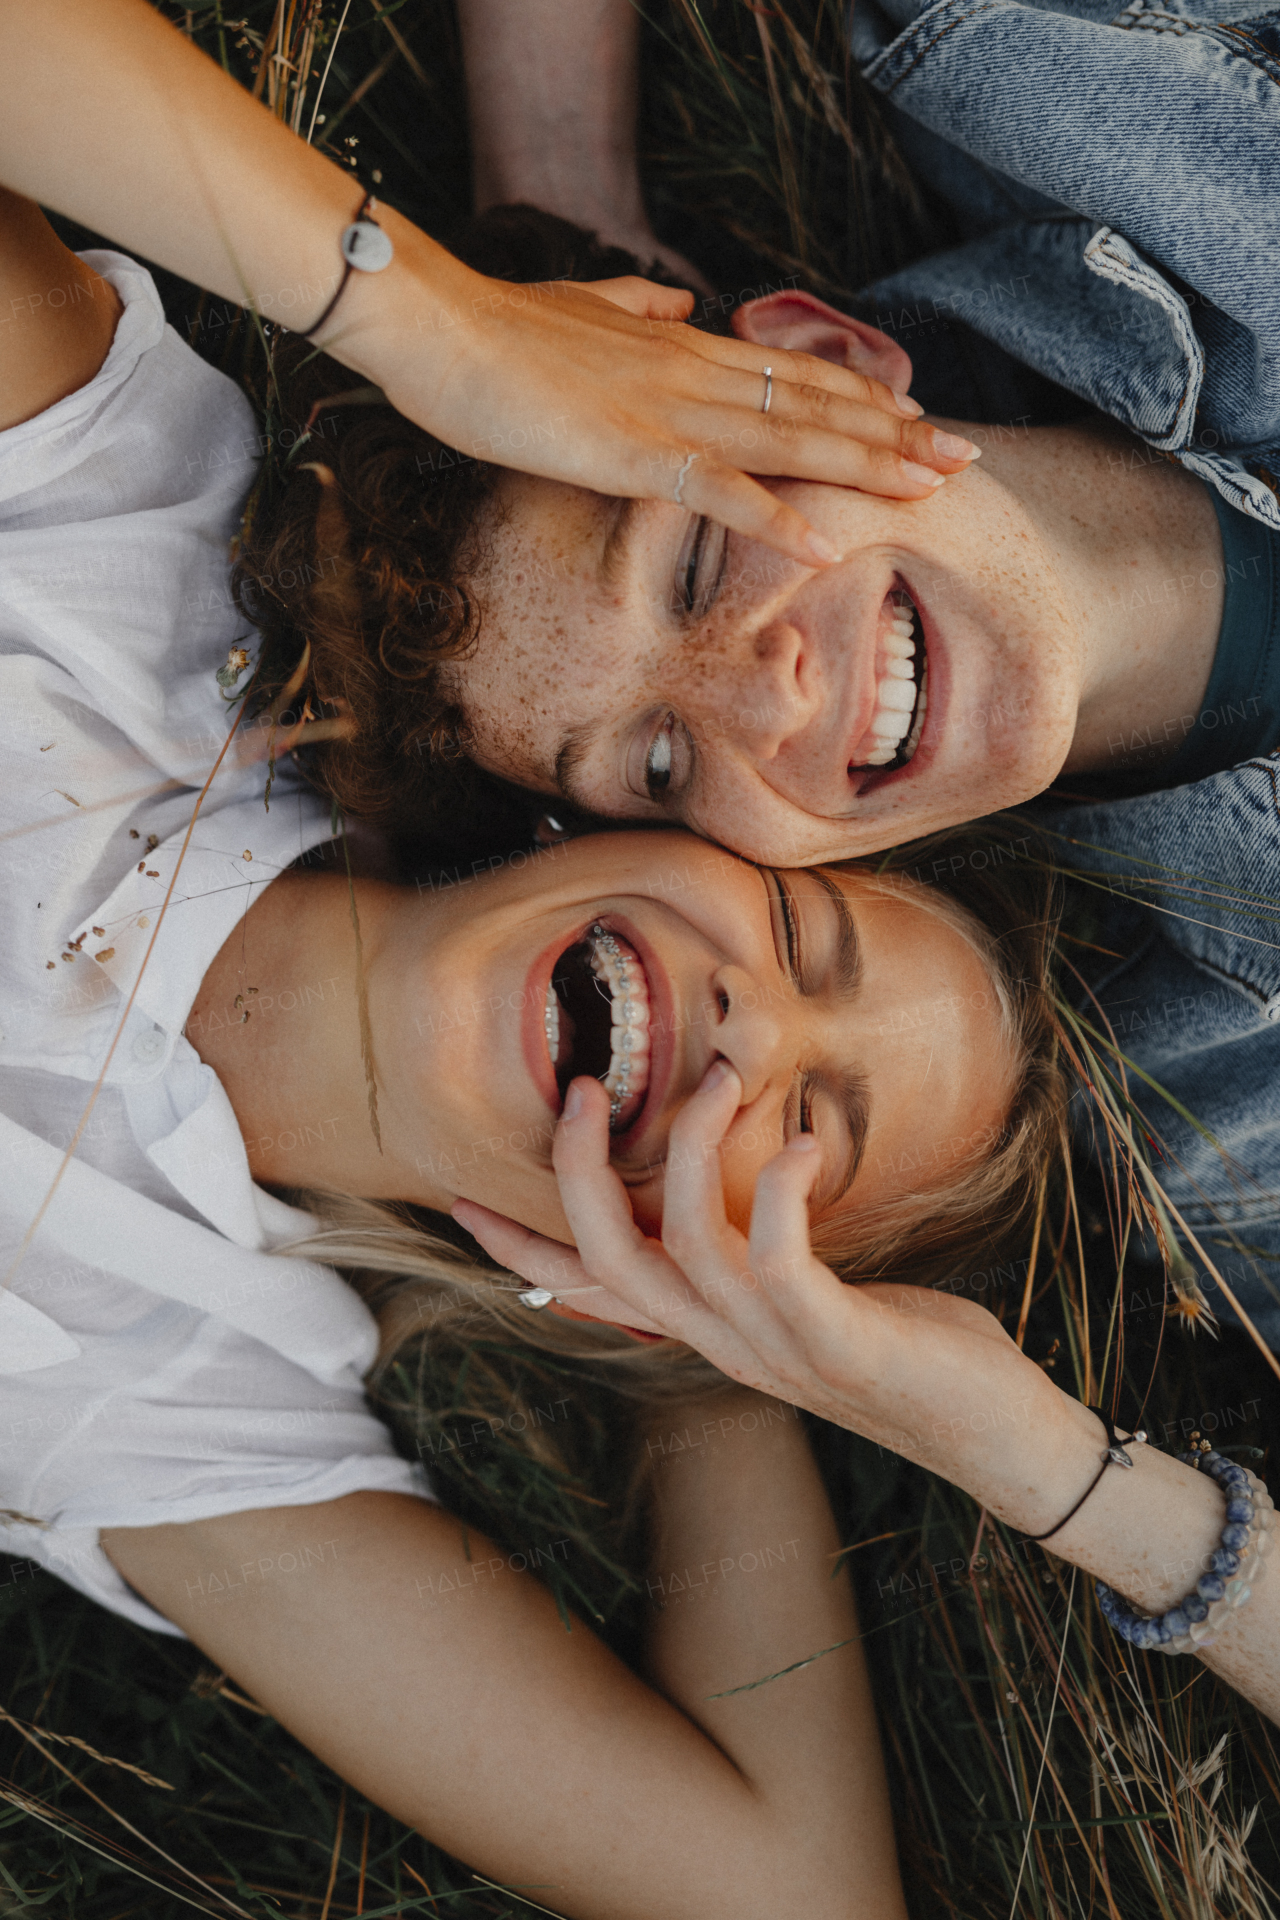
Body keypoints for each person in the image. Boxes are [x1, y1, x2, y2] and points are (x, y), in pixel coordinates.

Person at [0, 200, 1061, 1915]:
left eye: (802, 1141)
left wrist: (725, 1363)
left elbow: (790, 1895)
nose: (750, 1022)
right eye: (801, 940)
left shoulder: (195, 1404)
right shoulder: (142, 547)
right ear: (623, 817)